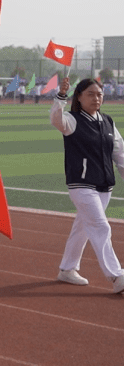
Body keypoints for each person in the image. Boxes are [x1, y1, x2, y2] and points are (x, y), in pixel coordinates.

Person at [49, 77, 124, 294]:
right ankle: (117, 275)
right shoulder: (71, 120)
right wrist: (60, 98)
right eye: (90, 94)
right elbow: (56, 119)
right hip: (81, 185)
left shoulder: (107, 122)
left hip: (104, 186)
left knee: (82, 228)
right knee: (101, 227)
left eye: (99, 94)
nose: (96, 98)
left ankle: (67, 268)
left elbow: (119, 154)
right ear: (79, 97)